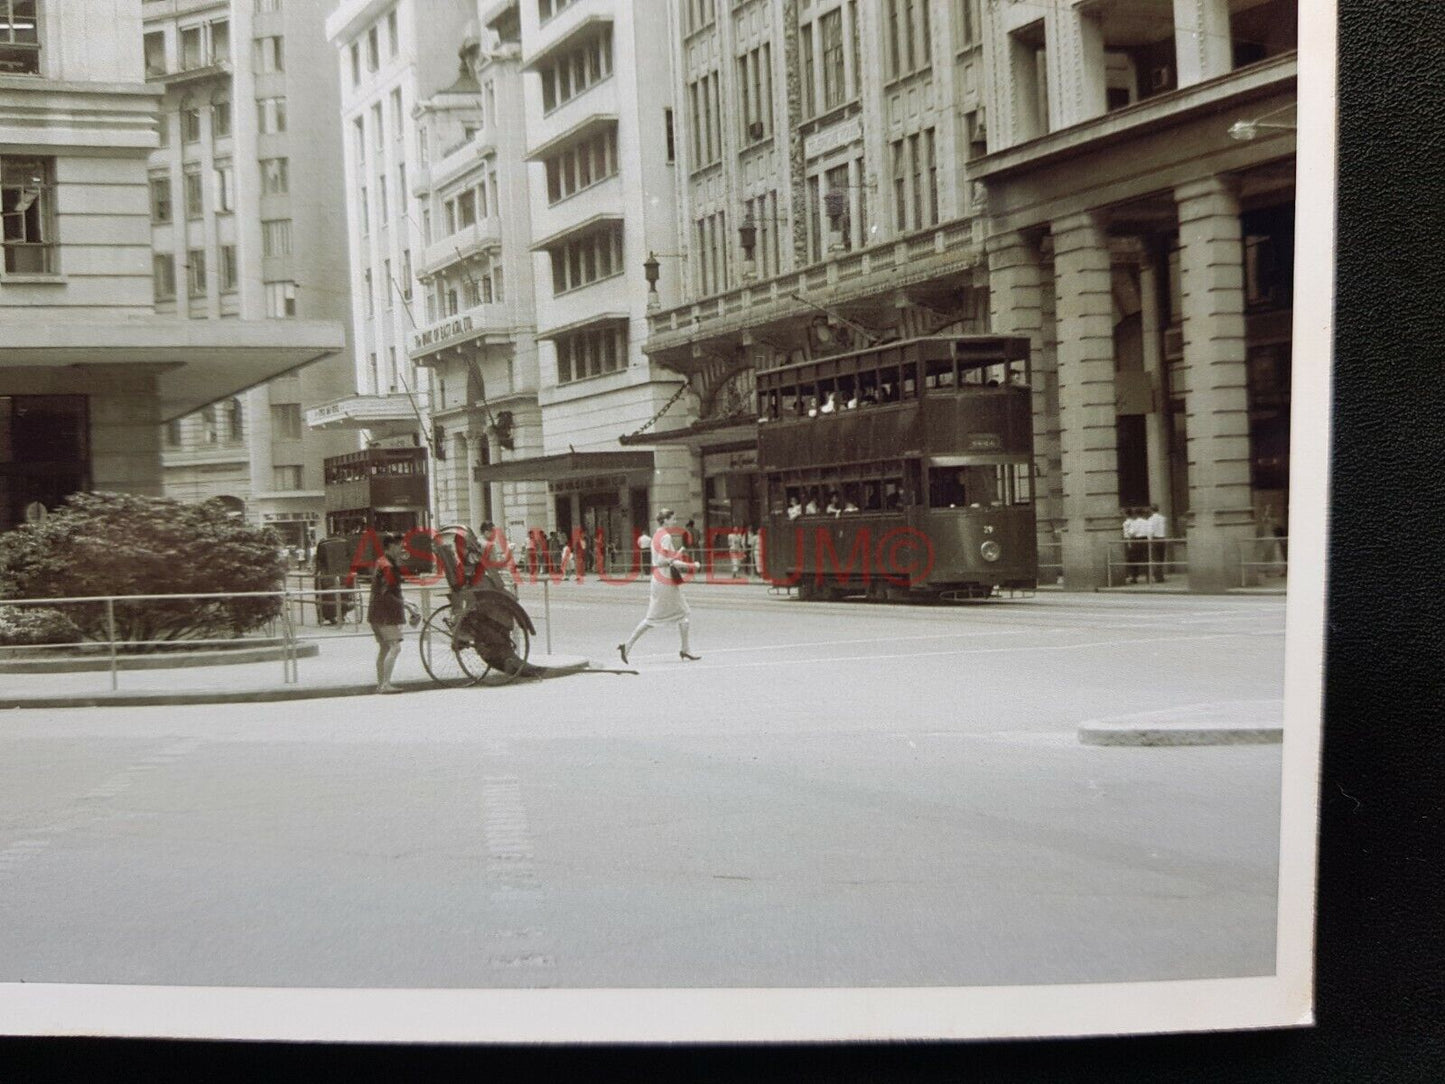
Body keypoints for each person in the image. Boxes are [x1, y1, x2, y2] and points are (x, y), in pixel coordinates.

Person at [618, 509, 701, 664]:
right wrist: (688, 562)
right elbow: (664, 560)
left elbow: (666, 561)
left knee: (683, 614)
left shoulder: (656, 535)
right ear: (666, 520)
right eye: (673, 519)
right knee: (653, 619)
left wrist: (689, 565)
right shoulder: (666, 537)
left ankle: (685, 649)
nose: (675, 522)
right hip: (665, 580)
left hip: (659, 579)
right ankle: (627, 645)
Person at [368, 533, 407, 694]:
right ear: (391, 546)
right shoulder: (388, 566)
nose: (402, 549)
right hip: (386, 615)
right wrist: (406, 606)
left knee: (384, 648)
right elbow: (388, 593)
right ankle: (385, 684)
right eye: (399, 546)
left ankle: (381, 684)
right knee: (395, 647)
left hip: (376, 613)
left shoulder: (381, 562)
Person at [1144, 505, 1168, 582]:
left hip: (1155, 539)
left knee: (1155, 558)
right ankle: (1161, 575)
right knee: (1161, 558)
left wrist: (1149, 540)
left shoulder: (1150, 519)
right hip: (1162, 538)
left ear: (1151, 510)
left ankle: (1158, 577)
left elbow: (1150, 531)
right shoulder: (1163, 518)